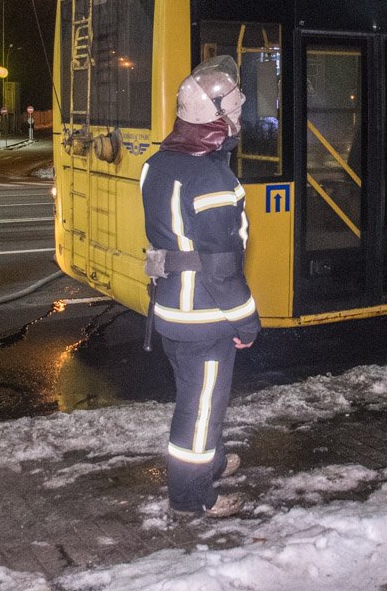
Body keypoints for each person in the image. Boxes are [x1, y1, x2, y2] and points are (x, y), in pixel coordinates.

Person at [140, 55, 260, 520]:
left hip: (170, 310)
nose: (238, 119)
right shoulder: (215, 180)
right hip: (205, 317)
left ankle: (210, 460)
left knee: (196, 394)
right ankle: (192, 498)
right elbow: (222, 268)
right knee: (200, 409)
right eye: (232, 111)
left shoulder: (157, 165)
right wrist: (247, 322)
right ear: (214, 120)